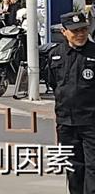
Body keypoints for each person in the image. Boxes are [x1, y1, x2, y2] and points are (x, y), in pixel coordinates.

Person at [46, 11, 95, 194]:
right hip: (66, 124)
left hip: (91, 122)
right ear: (64, 31)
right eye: (75, 31)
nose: (80, 34)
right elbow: (53, 84)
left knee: (93, 169)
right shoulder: (55, 55)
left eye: (83, 29)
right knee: (74, 169)